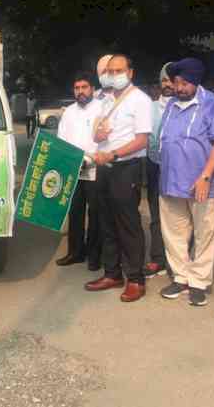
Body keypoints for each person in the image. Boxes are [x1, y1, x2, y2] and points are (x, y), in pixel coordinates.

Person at [157, 58, 214, 306]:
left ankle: (199, 281)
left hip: (201, 183)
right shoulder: (171, 105)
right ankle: (181, 277)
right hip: (170, 180)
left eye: (184, 83)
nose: (179, 88)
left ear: (196, 81)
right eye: (176, 82)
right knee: (174, 233)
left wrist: (206, 176)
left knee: (205, 233)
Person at [84, 54, 153, 302]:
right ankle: (112, 273)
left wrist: (112, 153)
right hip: (104, 166)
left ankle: (135, 278)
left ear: (131, 72)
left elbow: (142, 140)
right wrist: (99, 137)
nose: (115, 75)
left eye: (119, 70)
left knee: (128, 224)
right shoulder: (105, 101)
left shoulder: (140, 100)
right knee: (106, 221)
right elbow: (98, 133)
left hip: (126, 167)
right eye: (111, 71)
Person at [56, 72, 104, 269]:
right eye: (77, 88)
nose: (81, 91)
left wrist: (88, 159)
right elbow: (62, 139)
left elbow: (106, 139)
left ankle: (94, 256)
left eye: (84, 87)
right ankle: (75, 252)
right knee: (74, 212)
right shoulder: (69, 112)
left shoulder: (102, 109)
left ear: (92, 89)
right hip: (73, 169)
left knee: (96, 213)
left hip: (95, 168)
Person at [143, 62, 174, 278]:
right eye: (164, 80)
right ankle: (157, 259)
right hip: (155, 166)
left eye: (172, 80)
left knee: (180, 216)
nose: (168, 84)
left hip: (180, 169)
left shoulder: (186, 106)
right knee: (156, 214)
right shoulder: (150, 108)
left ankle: (177, 261)